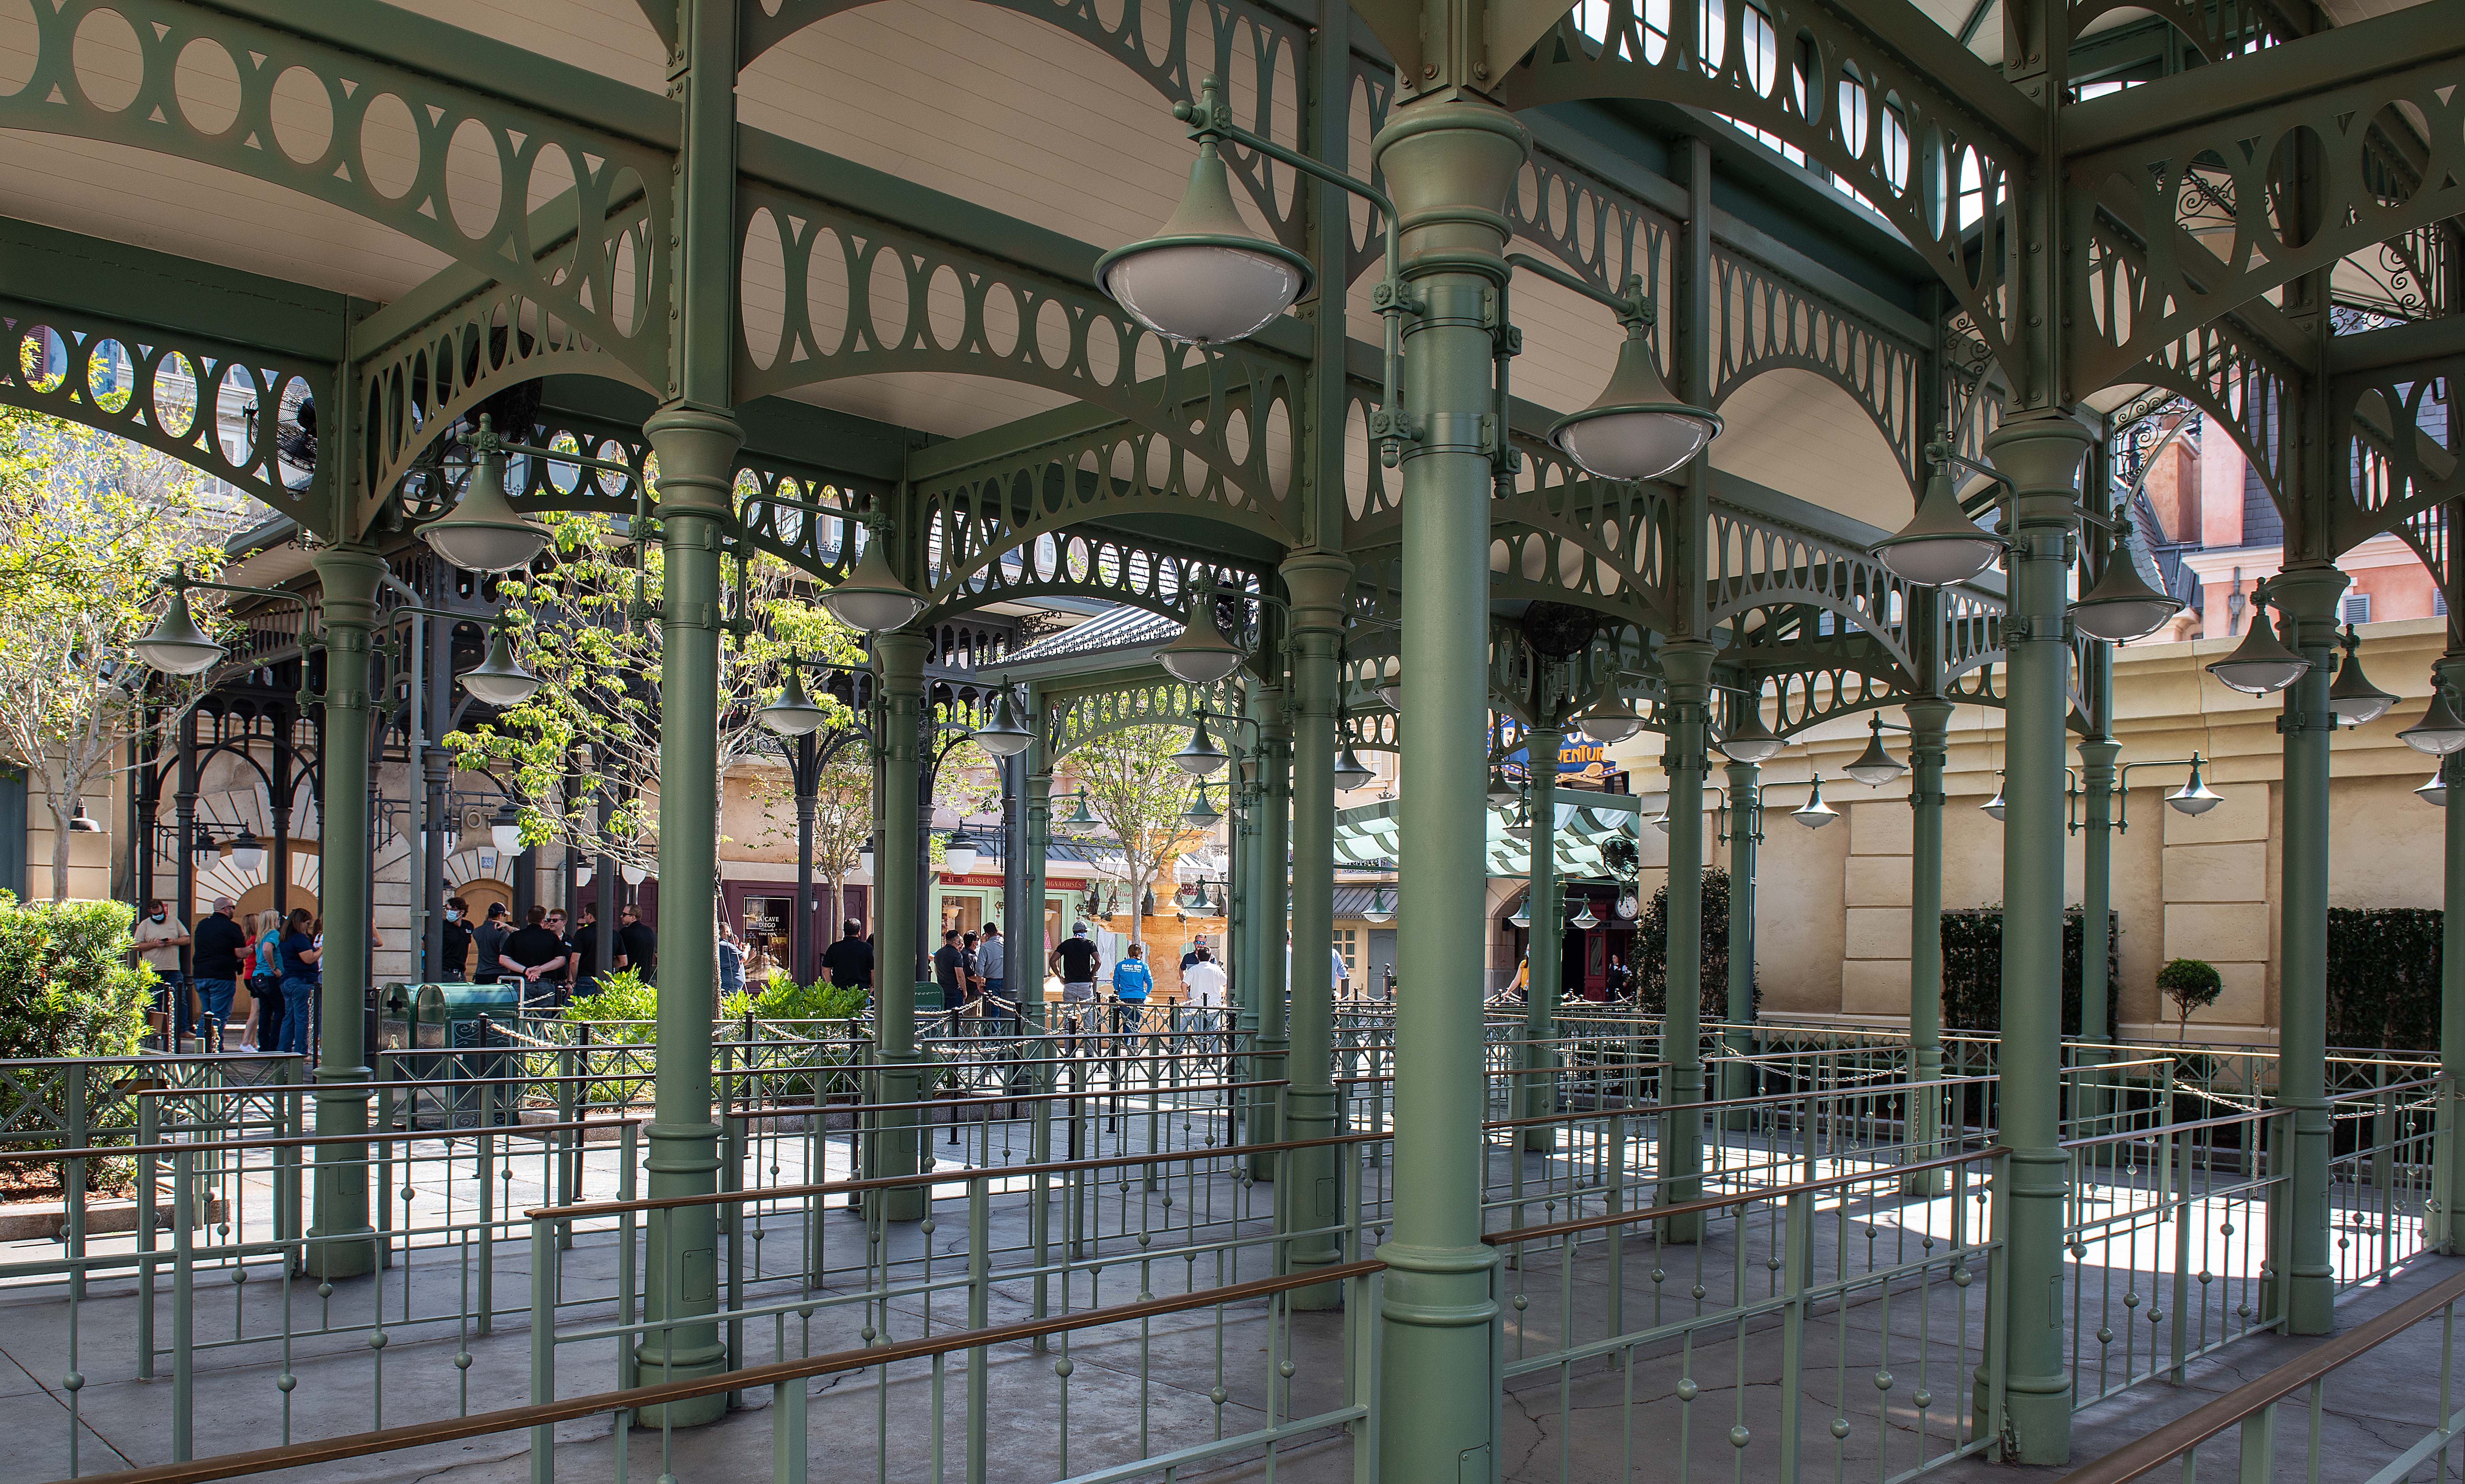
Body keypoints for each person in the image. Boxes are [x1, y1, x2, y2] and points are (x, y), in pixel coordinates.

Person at [132, 898, 193, 1046]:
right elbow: (135, 946)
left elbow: (186, 939)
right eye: (155, 913)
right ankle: (155, 1031)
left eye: (160, 912)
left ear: (163, 910)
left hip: (173, 968)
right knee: (154, 1001)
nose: (158, 915)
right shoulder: (145, 925)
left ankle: (182, 1029)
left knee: (180, 999)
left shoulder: (174, 921)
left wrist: (172, 942)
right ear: (150, 912)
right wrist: (155, 944)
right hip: (152, 970)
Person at [191, 897, 250, 1047]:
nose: (233, 911)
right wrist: (251, 949)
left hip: (201, 975)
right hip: (222, 976)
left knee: (206, 1012)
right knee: (219, 1015)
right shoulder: (232, 927)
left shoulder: (202, 925)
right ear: (226, 909)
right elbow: (241, 953)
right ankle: (214, 1047)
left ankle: (201, 1046)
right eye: (232, 907)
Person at [500, 905, 570, 1006]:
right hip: (546, 982)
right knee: (543, 1020)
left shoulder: (516, 936)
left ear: (527, 918)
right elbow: (561, 960)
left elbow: (504, 959)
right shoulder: (552, 937)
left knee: (522, 1018)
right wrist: (540, 970)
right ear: (543, 921)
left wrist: (526, 970)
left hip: (522, 982)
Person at [276, 907, 320, 1057]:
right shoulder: (300, 938)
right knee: (302, 1019)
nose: (308, 927)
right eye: (307, 923)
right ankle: (301, 1052)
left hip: (288, 981)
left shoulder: (285, 938)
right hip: (301, 981)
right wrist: (321, 950)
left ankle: (283, 1051)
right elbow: (308, 959)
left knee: (290, 1018)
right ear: (300, 922)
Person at [245, 910, 284, 1052]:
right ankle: (275, 1044)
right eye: (278, 918)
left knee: (265, 1011)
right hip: (269, 976)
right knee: (280, 1010)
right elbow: (268, 950)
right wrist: (274, 968)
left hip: (257, 976)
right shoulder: (273, 934)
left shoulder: (260, 937)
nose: (279, 921)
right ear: (273, 920)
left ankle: (264, 1045)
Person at [1051, 921, 1101, 1020]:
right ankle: (1088, 1035)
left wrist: (1060, 977)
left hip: (1070, 983)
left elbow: (1052, 961)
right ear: (1083, 931)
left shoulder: (1066, 944)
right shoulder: (1089, 944)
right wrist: (1092, 974)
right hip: (1085, 984)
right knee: (1088, 1015)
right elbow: (1098, 961)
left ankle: (1068, 1035)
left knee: (1068, 1014)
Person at [1111, 942, 1153, 1035]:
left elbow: (1116, 982)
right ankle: (1135, 1048)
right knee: (1136, 1024)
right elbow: (1150, 982)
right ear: (1139, 954)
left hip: (1125, 997)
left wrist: (1119, 992)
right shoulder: (1144, 965)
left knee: (1127, 1024)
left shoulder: (1120, 965)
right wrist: (1147, 992)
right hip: (1139, 997)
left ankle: (1127, 1046)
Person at [976, 922, 1012, 1029]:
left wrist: (979, 983)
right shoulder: (1007, 944)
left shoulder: (985, 947)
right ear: (997, 931)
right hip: (1008, 982)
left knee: (994, 1011)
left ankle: (994, 1039)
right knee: (1007, 1010)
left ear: (987, 934)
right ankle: (1005, 1037)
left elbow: (980, 967)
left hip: (992, 982)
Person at [820, 919, 872, 992]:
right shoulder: (867, 948)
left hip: (839, 990)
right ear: (859, 932)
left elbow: (825, 970)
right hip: (861, 989)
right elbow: (873, 971)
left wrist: (831, 985)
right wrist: (872, 986)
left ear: (845, 931)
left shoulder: (834, 948)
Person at [616, 902, 657, 982]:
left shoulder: (626, 932)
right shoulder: (649, 931)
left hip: (629, 977)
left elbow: (618, 953)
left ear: (633, 917)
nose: (621, 916)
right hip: (646, 977)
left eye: (624, 914)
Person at [471, 903, 511, 985]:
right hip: (499, 974)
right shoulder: (503, 933)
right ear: (500, 915)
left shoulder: (477, 931)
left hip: (481, 974)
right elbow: (504, 954)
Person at [1181, 945, 1227, 1009]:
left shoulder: (1193, 970)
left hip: (1197, 1007)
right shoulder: (1217, 969)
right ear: (1210, 958)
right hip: (1215, 1006)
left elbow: (1183, 985)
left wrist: (1187, 999)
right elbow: (1227, 983)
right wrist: (1223, 996)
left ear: (1198, 958)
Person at [440, 897, 473, 981]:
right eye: (447, 909)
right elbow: (425, 944)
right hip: (445, 971)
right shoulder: (443, 926)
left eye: (452, 910)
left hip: (460, 972)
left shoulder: (468, 926)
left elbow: (468, 944)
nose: (449, 912)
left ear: (462, 912)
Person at [932, 927, 966, 1008]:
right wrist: (964, 990)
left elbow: (936, 970)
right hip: (954, 991)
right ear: (956, 941)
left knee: (943, 1017)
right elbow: (960, 975)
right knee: (956, 1018)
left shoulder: (939, 953)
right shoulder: (957, 955)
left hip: (941, 989)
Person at [718, 925, 745, 1000]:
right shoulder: (726, 946)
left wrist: (736, 947)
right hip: (730, 987)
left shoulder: (725, 946)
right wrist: (747, 950)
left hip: (733, 986)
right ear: (726, 932)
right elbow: (743, 958)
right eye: (730, 932)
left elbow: (739, 964)